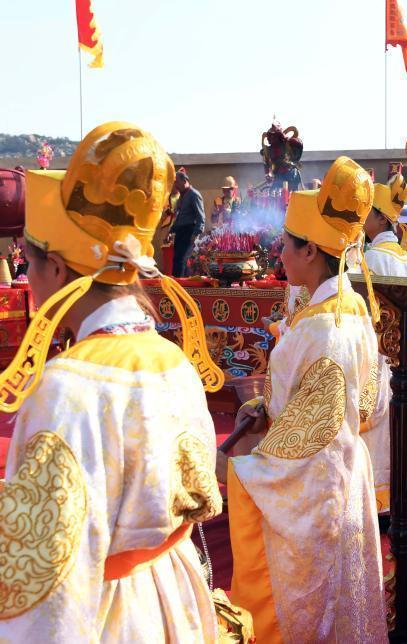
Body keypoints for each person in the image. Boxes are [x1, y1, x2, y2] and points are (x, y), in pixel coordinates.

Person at [0, 122, 225, 640]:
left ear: (54, 270)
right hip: (174, 595)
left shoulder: (66, 388)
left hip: (106, 614)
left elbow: (46, 580)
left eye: (29, 266)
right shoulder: (173, 359)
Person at [219, 156, 387, 643]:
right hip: (347, 471)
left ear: (311, 250)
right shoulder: (352, 307)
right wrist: (270, 409)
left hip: (316, 487)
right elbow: (369, 407)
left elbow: (308, 441)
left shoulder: (320, 328)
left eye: (286, 248)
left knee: (314, 610)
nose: (280, 258)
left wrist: (242, 469)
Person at [361, 174, 407, 519]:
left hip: (377, 349)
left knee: (377, 430)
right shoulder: (404, 257)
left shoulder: (372, 259)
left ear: (379, 218)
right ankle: (402, 492)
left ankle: (381, 501)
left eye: (366, 213)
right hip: (401, 350)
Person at [169, 168, 205, 277]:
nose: (175, 185)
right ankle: (177, 284)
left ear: (184, 181)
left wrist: (196, 234)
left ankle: (180, 287)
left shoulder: (194, 195)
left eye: (177, 182)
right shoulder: (182, 197)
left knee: (182, 260)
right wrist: (171, 231)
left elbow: (201, 217)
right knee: (177, 259)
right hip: (180, 232)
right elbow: (179, 216)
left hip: (189, 231)